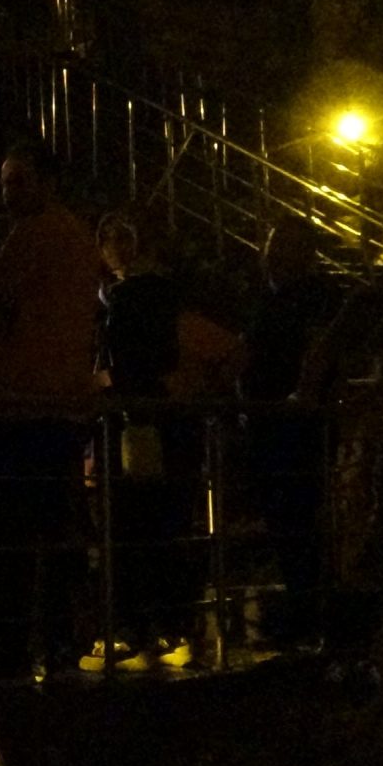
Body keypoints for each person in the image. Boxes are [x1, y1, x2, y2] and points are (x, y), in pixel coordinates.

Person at [0, 141, 102, 677]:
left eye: (18, 181)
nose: (8, 192)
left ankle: (14, 646)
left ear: (48, 182)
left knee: (13, 535)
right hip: (62, 403)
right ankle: (61, 642)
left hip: (21, 402)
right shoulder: (78, 237)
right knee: (57, 531)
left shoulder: (34, 234)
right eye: (4, 181)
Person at [96, 215, 240, 671]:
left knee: (137, 524)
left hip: (138, 422)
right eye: (107, 238)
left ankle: (143, 626)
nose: (113, 246)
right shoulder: (163, 300)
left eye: (122, 237)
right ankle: (170, 624)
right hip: (168, 422)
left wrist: (103, 384)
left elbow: (125, 365)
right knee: (166, 524)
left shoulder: (126, 301)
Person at [243, 217, 350, 648]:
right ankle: (306, 609)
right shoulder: (270, 297)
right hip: (270, 422)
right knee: (287, 521)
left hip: (295, 426)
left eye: (281, 246)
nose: (271, 254)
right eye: (271, 245)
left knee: (298, 519)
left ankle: (311, 614)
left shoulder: (313, 296)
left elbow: (322, 349)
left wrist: (304, 394)